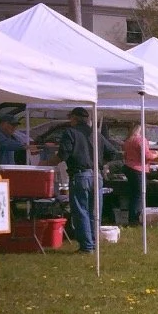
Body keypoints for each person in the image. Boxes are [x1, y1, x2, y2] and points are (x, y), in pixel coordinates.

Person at [57, 107, 99, 254]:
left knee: (81, 211)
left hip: (80, 175)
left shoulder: (70, 132)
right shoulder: (95, 134)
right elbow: (111, 152)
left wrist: (46, 162)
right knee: (94, 212)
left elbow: (63, 154)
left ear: (73, 118)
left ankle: (87, 246)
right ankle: (93, 243)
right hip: (97, 175)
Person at [123, 124, 155, 227]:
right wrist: (157, 155)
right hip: (138, 169)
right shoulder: (141, 140)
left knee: (134, 194)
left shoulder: (128, 140)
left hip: (128, 167)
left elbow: (126, 155)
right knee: (139, 194)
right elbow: (146, 156)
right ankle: (134, 219)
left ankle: (132, 218)